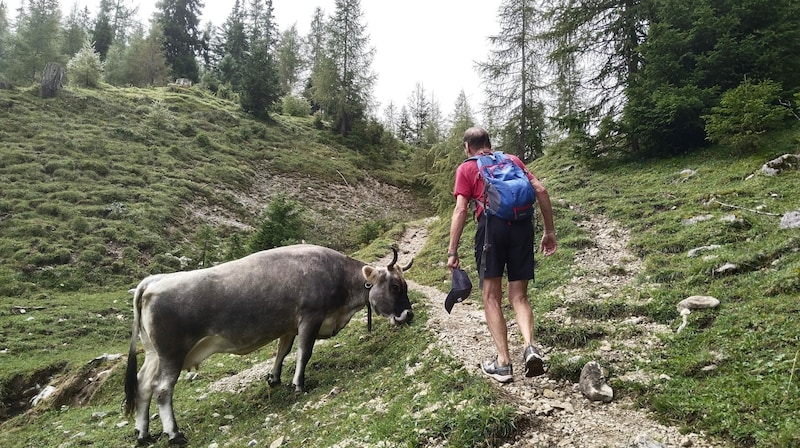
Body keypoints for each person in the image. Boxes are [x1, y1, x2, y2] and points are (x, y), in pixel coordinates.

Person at [447, 126, 557, 383]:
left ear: (467, 147)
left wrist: (453, 251)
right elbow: (540, 190)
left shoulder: (467, 168)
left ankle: (503, 363)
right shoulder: (512, 160)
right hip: (522, 227)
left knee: (491, 296)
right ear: (489, 143)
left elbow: (461, 210)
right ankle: (530, 347)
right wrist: (549, 231)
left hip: (491, 229)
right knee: (519, 296)